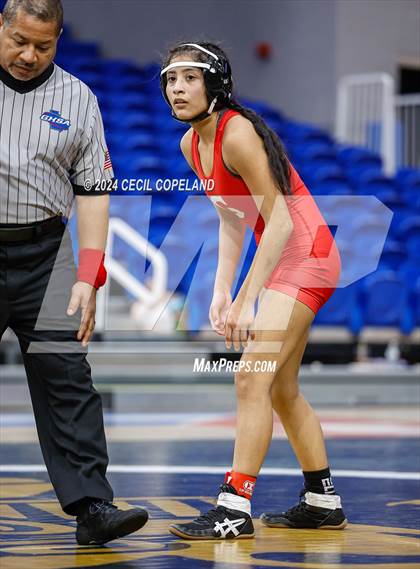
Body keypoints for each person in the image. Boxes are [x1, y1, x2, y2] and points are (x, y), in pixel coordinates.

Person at [160, 41, 347, 540]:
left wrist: (247, 299)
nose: (177, 88)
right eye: (171, 79)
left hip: (305, 253)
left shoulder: (236, 133)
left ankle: (234, 508)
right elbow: (231, 218)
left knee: (251, 376)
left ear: (215, 84)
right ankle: (321, 499)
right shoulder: (191, 145)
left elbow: (281, 222)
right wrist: (222, 292)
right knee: (280, 388)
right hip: (288, 254)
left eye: (189, 78)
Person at [0, 0, 148, 545]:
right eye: (19, 40)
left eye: (44, 45)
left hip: (47, 252)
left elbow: (93, 193)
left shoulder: (77, 98)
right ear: (1, 24)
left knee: (70, 380)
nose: (29, 55)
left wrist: (89, 275)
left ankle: (93, 508)